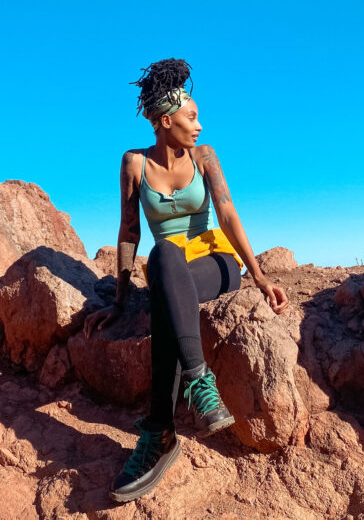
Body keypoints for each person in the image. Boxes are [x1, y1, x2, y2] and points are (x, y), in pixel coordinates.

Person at [82, 57, 290, 503]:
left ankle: (159, 432)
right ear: (163, 120)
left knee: (165, 275)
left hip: (215, 264)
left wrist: (258, 276)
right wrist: (119, 301)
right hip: (167, 267)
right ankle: (195, 380)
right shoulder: (134, 163)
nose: (200, 125)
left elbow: (228, 212)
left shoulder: (204, 156)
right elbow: (129, 232)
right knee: (162, 256)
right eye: (190, 117)